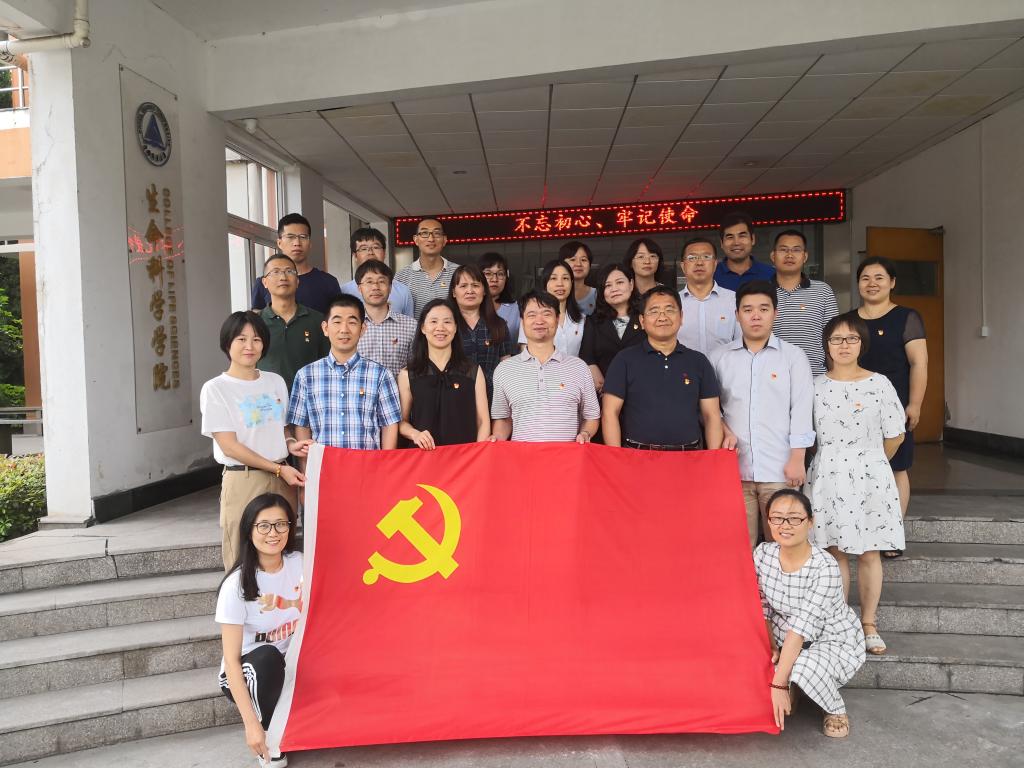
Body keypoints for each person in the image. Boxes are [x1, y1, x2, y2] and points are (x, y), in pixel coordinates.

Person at [808, 313, 906, 657]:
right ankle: (838, 623)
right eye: (836, 339)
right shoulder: (815, 386)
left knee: (869, 551)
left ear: (862, 344)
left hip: (870, 476)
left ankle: (868, 624)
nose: (844, 345)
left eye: (852, 339)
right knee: (833, 551)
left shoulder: (880, 384)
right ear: (826, 345)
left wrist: (869, 461)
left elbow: (895, 434)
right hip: (827, 475)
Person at [755, 489, 865, 739]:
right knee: (753, 656)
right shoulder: (762, 554)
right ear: (768, 520)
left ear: (810, 522)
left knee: (803, 667)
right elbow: (762, 607)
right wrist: (770, 645)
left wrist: (778, 683)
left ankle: (834, 708)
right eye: (777, 518)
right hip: (782, 633)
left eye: (794, 518)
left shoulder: (825, 566)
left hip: (828, 637)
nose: (785, 525)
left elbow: (802, 627)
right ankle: (792, 684)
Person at [201, 312, 307, 571]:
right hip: (244, 478)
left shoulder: (275, 381)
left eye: (256, 339)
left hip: (282, 478)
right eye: (241, 339)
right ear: (227, 343)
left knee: (281, 549)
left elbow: (282, 428)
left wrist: (290, 443)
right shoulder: (216, 388)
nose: (249, 346)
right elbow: (230, 446)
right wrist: (278, 469)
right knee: (241, 553)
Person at [712, 282, 815, 547]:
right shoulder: (719, 357)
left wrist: (797, 457)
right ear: (737, 315)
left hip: (780, 469)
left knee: (783, 544)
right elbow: (709, 408)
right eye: (748, 310)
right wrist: (724, 429)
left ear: (775, 313)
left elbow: (802, 408)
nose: (755, 316)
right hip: (734, 470)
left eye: (763, 309)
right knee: (738, 546)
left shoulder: (793, 357)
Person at [216, 493, 303, 767]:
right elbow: (231, 660)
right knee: (267, 656)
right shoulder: (236, 586)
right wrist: (251, 725)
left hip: (291, 663)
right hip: (248, 672)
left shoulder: (300, 563)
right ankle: (268, 735)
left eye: (281, 524)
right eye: (264, 526)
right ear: (249, 530)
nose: (273, 533)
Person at [855, 256, 928, 559]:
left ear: (892, 282)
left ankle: (892, 535)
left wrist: (915, 403)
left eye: (879, 278)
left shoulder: (906, 317)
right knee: (857, 468)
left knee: (896, 467)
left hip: (894, 408)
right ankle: (858, 529)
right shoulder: (850, 320)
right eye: (865, 278)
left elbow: (919, 363)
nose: (872, 284)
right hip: (854, 409)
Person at [602, 287, 724, 451]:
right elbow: (610, 413)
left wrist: (714, 458)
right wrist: (616, 457)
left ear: (681, 317)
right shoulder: (624, 360)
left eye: (669, 310)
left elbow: (712, 416)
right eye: (654, 311)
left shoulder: (699, 362)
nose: (662, 317)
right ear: (642, 321)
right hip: (637, 455)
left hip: (689, 456)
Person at [287, 295, 401, 450]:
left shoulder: (381, 375)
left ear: (362, 329)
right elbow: (302, 427)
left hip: (367, 464)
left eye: (352, 322)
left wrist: (385, 464)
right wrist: (307, 465)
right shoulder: (306, 376)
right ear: (325, 328)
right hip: (324, 463)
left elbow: (389, 425)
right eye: (337, 322)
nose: (344, 329)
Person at [492, 290, 600, 443]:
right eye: (532, 315)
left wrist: (585, 434)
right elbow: (503, 419)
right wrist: (496, 439)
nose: (539, 321)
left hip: (567, 456)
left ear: (557, 319)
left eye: (546, 314)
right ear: (522, 321)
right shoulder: (504, 370)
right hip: (522, 457)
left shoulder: (579, 367)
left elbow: (591, 416)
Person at [398, 299, 490, 449]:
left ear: (456, 327)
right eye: (433, 321)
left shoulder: (472, 371)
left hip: (464, 457)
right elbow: (402, 422)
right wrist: (415, 434)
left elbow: (483, 421)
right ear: (423, 328)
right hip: (423, 456)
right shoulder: (408, 374)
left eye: (447, 322)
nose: (440, 328)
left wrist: (477, 453)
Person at [256, 254, 329, 393]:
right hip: (266, 401)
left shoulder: (318, 320)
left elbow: (327, 364)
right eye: (275, 272)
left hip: (308, 400)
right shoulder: (255, 323)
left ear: (297, 281)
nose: (283, 277)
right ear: (264, 282)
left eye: (289, 271)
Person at [770, 230, 839, 377]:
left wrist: (837, 378)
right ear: (773, 256)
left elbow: (834, 338)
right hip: (771, 377)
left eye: (796, 250)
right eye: (783, 250)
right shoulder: (761, 292)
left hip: (815, 377)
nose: (789, 255)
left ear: (805, 256)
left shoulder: (823, 291)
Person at [251, 213, 342, 315]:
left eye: (303, 237)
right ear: (279, 243)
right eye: (290, 237)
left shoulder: (328, 282)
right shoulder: (265, 282)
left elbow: (338, 318)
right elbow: (256, 320)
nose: (297, 243)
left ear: (310, 243)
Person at [449, 263, 514, 397]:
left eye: (475, 285)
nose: (470, 291)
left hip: (492, 396)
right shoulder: (446, 325)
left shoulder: (499, 325)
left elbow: (507, 367)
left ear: (484, 291)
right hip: (454, 396)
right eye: (463, 286)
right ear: (454, 292)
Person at [579, 262, 644, 394]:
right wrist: (607, 390)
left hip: (643, 391)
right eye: (608, 285)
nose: (614, 289)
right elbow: (588, 357)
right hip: (606, 393)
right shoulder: (593, 322)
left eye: (619, 282)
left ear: (631, 284)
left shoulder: (646, 318)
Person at [676, 236, 740, 357]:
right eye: (692, 258)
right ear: (683, 266)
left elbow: (741, 343)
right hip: (683, 368)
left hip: (724, 368)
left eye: (706, 257)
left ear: (715, 264)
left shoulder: (734, 300)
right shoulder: (672, 303)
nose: (699, 263)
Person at [355, 259, 417, 380]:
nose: (375, 287)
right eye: (369, 282)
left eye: (381, 281)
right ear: (359, 288)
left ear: (390, 287)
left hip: (398, 392)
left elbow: (416, 367)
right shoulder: (351, 326)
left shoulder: (411, 326)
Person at [338, 227, 414, 317]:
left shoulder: (403, 291)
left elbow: (410, 324)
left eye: (376, 247)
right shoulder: (344, 292)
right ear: (355, 256)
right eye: (364, 248)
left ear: (384, 253)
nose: (370, 252)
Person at [516, 259, 585, 357]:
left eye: (565, 278)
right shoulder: (532, 318)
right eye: (553, 278)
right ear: (545, 283)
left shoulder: (583, 319)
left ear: (572, 282)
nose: (560, 284)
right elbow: (525, 353)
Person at [395, 217, 457, 318]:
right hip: (414, 329)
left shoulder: (458, 273)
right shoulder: (402, 276)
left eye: (437, 233)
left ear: (444, 240)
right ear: (416, 239)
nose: (431, 239)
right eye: (424, 233)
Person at [713, 211, 775, 291]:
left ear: (753, 239)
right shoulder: (711, 275)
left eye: (742, 236)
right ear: (721, 243)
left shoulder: (772, 275)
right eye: (730, 237)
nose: (736, 243)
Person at [480, 251, 521, 342]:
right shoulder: (470, 307)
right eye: (488, 274)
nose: (494, 279)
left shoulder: (517, 309)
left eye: (500, 274)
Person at [559, 240, 597, 316]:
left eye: (583, 260)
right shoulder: (554, 294)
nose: (578, 264)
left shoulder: (598, 295)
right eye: (573, 259)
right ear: (561, 264)